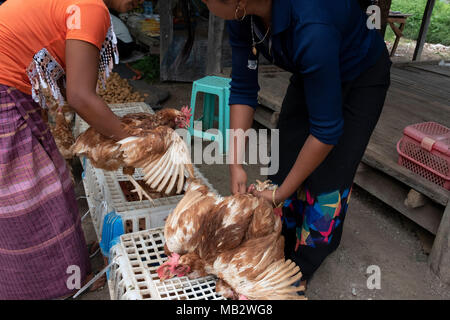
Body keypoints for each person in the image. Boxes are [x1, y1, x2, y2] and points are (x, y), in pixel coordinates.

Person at [201, 0, 392, 291]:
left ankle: (302, 264)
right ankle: (280, 239)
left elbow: (326, 132)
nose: (203, 3)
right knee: (284, 155)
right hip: (311, 69)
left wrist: (281, 193)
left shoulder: (312, 25)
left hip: (360, 76)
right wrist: (235, 162)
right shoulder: (241, 15)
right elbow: (243, 87)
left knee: (329, 177)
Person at [0, 0, 142, 299]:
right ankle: (59, 283)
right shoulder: (93, 9)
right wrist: (132, 139)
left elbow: (71, 88)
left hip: (15, 87)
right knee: (32, 195)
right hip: (5, 90)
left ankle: (72, 262)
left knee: (57, 178)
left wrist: (110, 127)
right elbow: (79, 97)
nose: (141, 2)